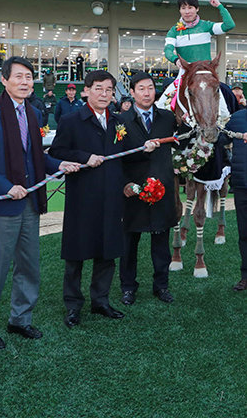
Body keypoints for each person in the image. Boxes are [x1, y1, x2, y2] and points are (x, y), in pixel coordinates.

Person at [0, 57, 79, 350]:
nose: (25, 82)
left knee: (29, 266)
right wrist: (6, 188)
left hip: (30, 203)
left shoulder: (32, 112)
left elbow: (36, 158)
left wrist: (59, 164)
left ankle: (20, 319)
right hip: (3, 205)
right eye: (19, 76)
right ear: (4, 80)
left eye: (29, 77)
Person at [50, 70, 158, 327]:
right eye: (98, 88)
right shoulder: (71, 120)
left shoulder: (118, 122)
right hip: (82, 198)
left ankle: (101, 300)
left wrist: (146, 148)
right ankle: (73, 305)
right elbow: (57, 152)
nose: (104, 94)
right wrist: (83, 157)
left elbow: (125, 156)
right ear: (86, 90)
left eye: (109, 89)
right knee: (76, 255)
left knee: (107, 252)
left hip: (111, 198)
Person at [120, 71, 177, 305]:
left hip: (162, 188)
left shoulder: (168, 118)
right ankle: (127, 287)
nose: (147, 92)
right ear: (132, 93)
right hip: (132, 190)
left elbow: (183, 141)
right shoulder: (120, 121)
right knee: (128, 242)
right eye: (141, 88)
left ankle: (161, 286)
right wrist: (125, 184)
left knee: (161, 241)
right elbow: (116, 157)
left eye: (151, 88)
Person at [222, 108, 247, 291]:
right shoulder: (237, 118)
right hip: (241, 185)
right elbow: (221, 139)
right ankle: (245, 276)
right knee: (244, 234)